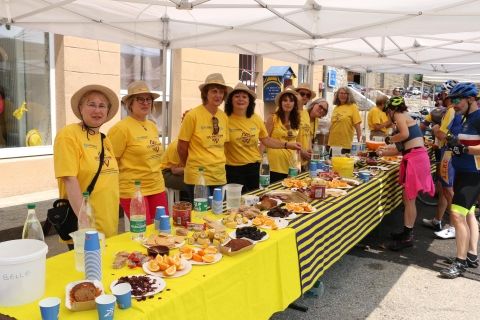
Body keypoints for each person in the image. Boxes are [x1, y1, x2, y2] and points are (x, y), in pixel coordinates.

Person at [53, 84, 120, 239]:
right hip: (84, 225)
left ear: (107, 112)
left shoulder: (104, 139)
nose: (97, 110)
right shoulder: (68, 135)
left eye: (102, 106)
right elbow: (69, 179)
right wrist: (85, 225)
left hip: (109, 220)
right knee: (87, 263)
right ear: (80, 108)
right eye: (91, 104)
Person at [377, 96, 434, 251]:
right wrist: (382, 153)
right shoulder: (404, 117)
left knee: (409, 199)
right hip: (415, 157)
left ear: (390, 109)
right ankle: (406, 231)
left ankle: (408, 236)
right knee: (408, 198)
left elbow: (403, 135)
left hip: (415, 159)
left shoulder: (399, 115)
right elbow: (400, 147)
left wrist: (388, 138)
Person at [108, 80, 168, 225]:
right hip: (133, 189)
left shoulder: (152, 126)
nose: (145, 103)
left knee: (163, 228)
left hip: (156, 185)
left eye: (148, 99)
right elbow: (111, 163)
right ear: (129, 103)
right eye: (140, 99)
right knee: (143, 231)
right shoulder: (121, 128)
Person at [224, 82, 301, 192]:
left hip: (253, 167)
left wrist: (287, 144)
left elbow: (266, 140)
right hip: (233, 169)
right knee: (236, 204)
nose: (240, 99)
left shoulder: (255, 118)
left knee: (254, 199)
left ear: (249, 100)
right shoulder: (224, 119)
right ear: (231, 100)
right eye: (237, 96)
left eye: (244, 96)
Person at [439, 82, 480, 279]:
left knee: (456, 215)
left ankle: (460, 261)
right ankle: (472, 255)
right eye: (452, 100)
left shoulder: (478, 116)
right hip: (463, 171)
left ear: (471, 99)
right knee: (469, 213)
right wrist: (454, 142)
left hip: (473, 174)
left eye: (457, 100)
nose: (453, 104)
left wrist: (464, 149)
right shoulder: (465, 117)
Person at [177, 73, 232, 198]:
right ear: (206, 93)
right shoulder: (193, 115)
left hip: (218, 175)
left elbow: (223, 146)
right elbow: (182, 146)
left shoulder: (223, 117)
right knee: (200, 215)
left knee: (217, 213)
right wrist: (188, 165)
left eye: (221, 92)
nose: (218, 95)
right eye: (214, 91)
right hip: (198, 176)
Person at [422, 80, 461, 239]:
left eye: (444, 94)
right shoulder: (454, 110)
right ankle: (438, 220)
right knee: (444, 188)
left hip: (448, 153)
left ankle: (454, 226)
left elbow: (441, 134)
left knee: (448, 190)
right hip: (450, 152)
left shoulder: (451, 111)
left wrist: (435, 128)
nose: (442, 96)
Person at [265, 87, 309, 183]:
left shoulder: (296, 121)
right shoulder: (272, 118)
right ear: (280, 103)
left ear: (295, 104)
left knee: (290, 192)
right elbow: (264, 140)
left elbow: (295, 141)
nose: (288, 103)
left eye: (291, 100)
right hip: (275, 165)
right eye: (285, 100)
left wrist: (302, 150)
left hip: (292, 164)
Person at [327, 86, 362, 154]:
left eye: (345, 93)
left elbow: (358, 127)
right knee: (332, 164)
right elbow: (332, 126)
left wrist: (360, 144)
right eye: (341, 93)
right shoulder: (336, 108)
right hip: (332, 144)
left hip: (345, 145)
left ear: (348, 95)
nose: (343, 95)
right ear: (337, 95)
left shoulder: (353, 107)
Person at [295, 83, 317, 163]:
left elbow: (308, 134)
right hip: (294, 158)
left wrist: (310, 149)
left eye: (307, 95)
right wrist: (301, 151)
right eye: (302, 94)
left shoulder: (306, 113)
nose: (305, 96)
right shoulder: (291, 112)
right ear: (296, 94)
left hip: (304, 160)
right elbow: (289, 137)